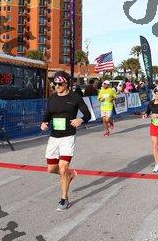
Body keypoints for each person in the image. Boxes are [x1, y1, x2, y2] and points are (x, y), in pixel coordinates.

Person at [40, 71, 91, 211]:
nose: (57, 86)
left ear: (66, 83)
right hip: (54, 137)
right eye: (55, 84)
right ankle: (70, 174)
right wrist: (44, 122)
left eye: (60, 84)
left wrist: (81, 119)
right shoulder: (52, 98)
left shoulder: (75, 97)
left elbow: (87, 114)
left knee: (62, 168)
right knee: (51, 169)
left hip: (68, 137)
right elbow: (47, 114)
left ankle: (64, 200)